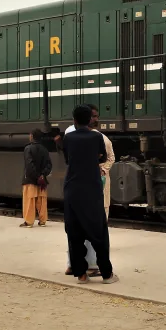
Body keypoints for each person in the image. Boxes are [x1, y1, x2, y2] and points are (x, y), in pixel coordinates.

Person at [62, 104, 118, 285]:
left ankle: (81, 274)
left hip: (72, 189)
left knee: (74, 231)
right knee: (99, 232)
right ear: (90, 119)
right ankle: (107, 274)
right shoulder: (97, 137)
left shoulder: (68, 138)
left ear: (74, 120)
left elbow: (67, 159)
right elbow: (102, 158)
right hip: (92, 189)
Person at [20, 129, 52, 228]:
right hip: (42, 181)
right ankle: (42, 221)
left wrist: (36, 176)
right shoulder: (44, 149)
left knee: (30, 200)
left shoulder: (28, 148)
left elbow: (29, 165)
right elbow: (49, 165)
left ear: (32, 136)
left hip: (30, 180)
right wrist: (42, 175)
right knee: (42, 201)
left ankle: (29, 222)